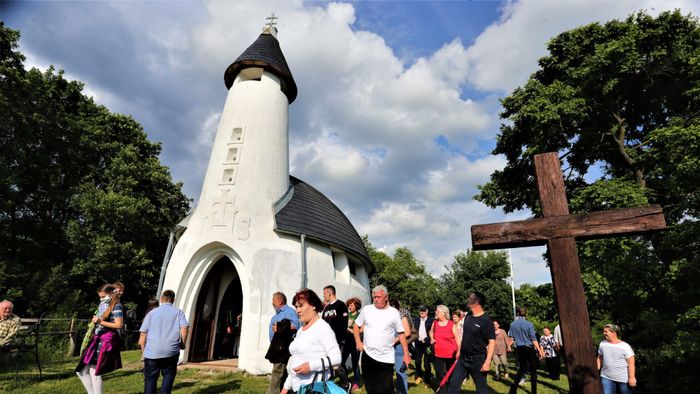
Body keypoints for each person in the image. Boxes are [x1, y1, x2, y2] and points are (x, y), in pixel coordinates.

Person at [281, 288, 341, 394]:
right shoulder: (301, 330)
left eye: (301, 306)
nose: (297, 310)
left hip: (314, 389)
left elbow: (337, 358)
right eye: (296, 307)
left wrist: (311, 366)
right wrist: (285, 388)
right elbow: (296, 361)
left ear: (313, 305)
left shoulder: (322, 327)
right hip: (297, 390)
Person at [354, 285, 411, 394]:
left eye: (379, 297)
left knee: (386, 389)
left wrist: (406, 354)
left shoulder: (393, 312)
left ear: (386, 297)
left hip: (386, 357)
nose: (376, 300)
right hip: (368, 355)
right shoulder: (367, 310)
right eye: (374, 297)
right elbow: (356, 326)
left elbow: (401, 333)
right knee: (371, 389)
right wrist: (358, 341)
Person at [75, 283, 124, 394]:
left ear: (111, 294)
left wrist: (100, 321)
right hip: (98, 337)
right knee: (82, 371)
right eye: (100, 297)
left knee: (94, 371)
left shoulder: (117, 306)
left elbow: (119, 325)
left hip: (106, 340)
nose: (101, 299)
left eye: (103, 296)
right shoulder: (103, 304)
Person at [139, 290, 189, 394]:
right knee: (168, 375)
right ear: (173, 300)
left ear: (161, 299)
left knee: (150, 379)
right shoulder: (179, 312)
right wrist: (183, 343)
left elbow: (143, 333)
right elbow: (184, 327)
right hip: (171, 351)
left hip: (152, 351)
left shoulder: (151, 313)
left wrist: (143, 351)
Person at [446, 292, 495, 394]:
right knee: (453, 385)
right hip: (463, 359)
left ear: (476, 302)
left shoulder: (486, 320)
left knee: (481, 390)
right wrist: (459, 350)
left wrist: (487, 362)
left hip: (478, 360)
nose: (468, 299)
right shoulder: (468, 317)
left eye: (470, 298)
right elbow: (465, 336)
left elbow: (492, 341)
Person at [508, 307, 545, 394]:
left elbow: (511, 338)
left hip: (519, 349)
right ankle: (534, 391)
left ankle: (513, 389)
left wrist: (509, 345)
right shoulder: (529, 324)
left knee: (522, 369)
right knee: (533, 370)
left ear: (517, 314)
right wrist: (539, 350)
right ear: (526, 314)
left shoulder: (513, 324)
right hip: (529, 348)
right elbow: (533, 339)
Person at [269, 292, 300, 394]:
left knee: (277, 371)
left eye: (274, 300)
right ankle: (287, 391)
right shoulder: (275, 315)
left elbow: (296, 326)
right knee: (283, 371)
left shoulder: (290, 312)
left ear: (280, 301)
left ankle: (271, 392)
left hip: (283, 347)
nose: (272, 302)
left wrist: (280, 327)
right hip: (275, 347)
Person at [322, 285, 350, 388]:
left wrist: (341, 340)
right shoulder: (326, 308)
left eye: (324, 293)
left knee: (337, 364)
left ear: (330, 293)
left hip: (337, 340)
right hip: (326, 341)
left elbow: (344, 324)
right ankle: (330, 386)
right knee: (327, 364)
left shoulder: (341, 305)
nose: (324, 295)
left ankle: (346, 384)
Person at [597, 324, 636, 394]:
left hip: (623, 379)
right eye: (604, 331)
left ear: (614, 333)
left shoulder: (625, 346)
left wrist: (632, 378)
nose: (604, 333)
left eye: (606, 332)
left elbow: (631, 362)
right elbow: (600, 357)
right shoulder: (602, 344)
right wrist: (596, 369)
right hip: (606, 377)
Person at [430, 304, 459, 389]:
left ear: (444, 313)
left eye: (438, 311)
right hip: (437, 353)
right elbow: (431, 332)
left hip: (451, 354)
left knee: (451, 373)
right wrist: (432, 338)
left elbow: (457, 338)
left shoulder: (451, 324)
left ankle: (451, 388)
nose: (436, 312)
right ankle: (442, 389)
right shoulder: (435, 322)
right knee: (439, 373)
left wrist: (459, 350)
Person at [389, 298, 414, 394]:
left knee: (400, 372)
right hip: (388, 348)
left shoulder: (401, 316)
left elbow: (407, 333)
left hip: (399, 347)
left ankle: (402, 392)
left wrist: (395, 340)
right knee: (388, 372)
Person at [343, 297, 362, 392]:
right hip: (346, 342)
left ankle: (356, 383)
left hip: (355, 343)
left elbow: (361, 330)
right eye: (349, 305)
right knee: (341, 362)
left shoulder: (360, 316)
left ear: (356, 306)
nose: (349, 307)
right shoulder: (347, 315)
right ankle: (346, 380)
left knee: (355, 364)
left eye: (351, 305)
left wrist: (350, 330)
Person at [413, 305, 434, 386]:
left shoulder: (431, 320)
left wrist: (427, 339)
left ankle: (427, 380)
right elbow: (414, 330)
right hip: (418, 344)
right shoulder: (416, 319)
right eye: (420, 310)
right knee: (417, 361)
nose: (422, 312)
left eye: (424, 310)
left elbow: (433, 332)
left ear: (427, 311)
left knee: (426, 363)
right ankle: (419, 376)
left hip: (427, 344)